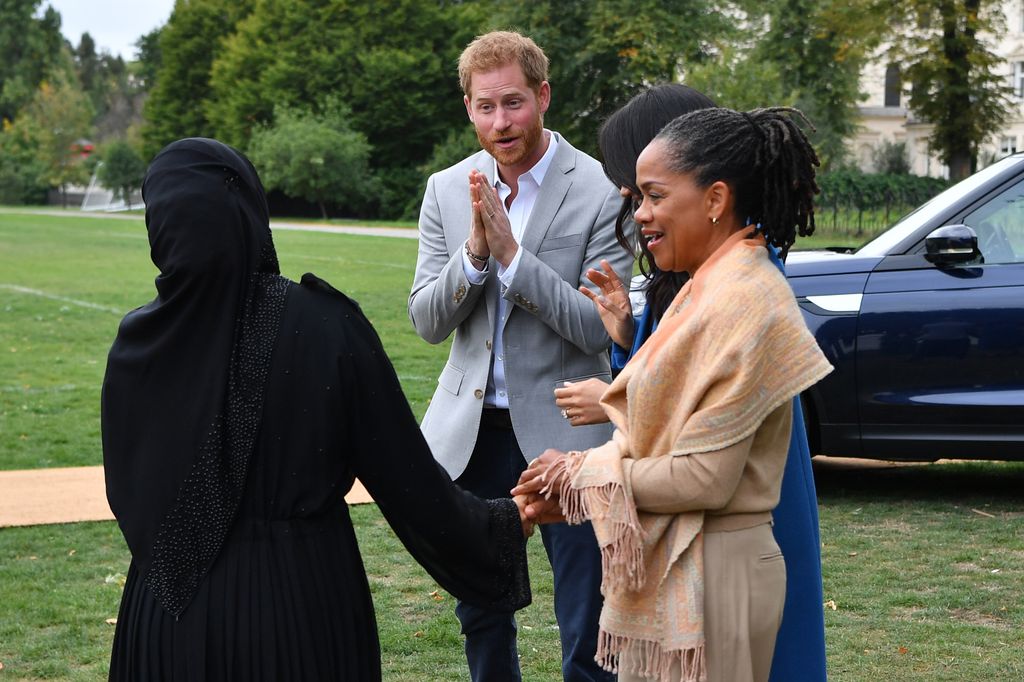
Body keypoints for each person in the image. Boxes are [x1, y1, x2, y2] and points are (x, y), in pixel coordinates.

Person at [101, 137, 531, 681]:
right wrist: (502, 524)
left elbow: (128, 493)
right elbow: (410, 483)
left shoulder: (138, 346)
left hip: (163, 617)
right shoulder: (325, 327)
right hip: (297, 610)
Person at [514, 107, 834, 682]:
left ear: (714, 199)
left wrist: (580, 475)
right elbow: (666, 424)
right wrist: (577, 486)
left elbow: (704, 477)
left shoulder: (746, 298)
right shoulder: (707, 284)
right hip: (691, 564)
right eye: (638, 197)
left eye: (654, 196)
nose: (639, 214)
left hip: (719, 576)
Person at [408, 30, 633, 682]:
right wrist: (475, 257)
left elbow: (597, 328)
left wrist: (513, 258)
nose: (500, 122)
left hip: (569, 431)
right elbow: (426, 320)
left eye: (513, 103)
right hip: (471, 437)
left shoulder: (599, 188)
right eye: (484, 106)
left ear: (543, 96)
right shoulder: (446, 190)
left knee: (586, 620)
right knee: (480, 611)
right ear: (468, 108)